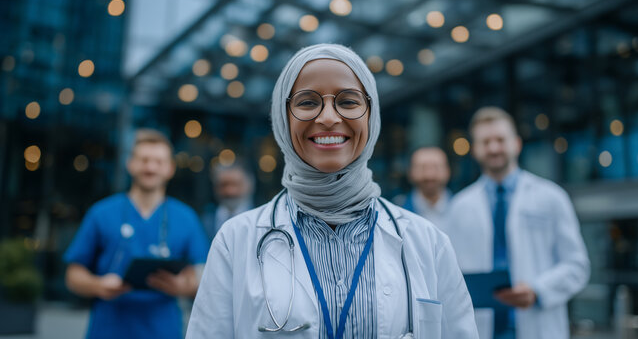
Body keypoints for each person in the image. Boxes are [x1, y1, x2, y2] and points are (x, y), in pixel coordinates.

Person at [186, 44, 478, 338]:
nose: (328, 117)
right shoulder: (235, 241)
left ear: (371, 115)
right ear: (282, 117)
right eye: (308, 102)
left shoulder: (428, 242)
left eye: (348, 102)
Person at [445, 107, 590, 339]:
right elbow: (449, 272)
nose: (493, 148)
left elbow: (577, 265)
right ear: (475, 149)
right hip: (481, 328)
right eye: (485, 141)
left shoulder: (552, 197)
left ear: (517, 144)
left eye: (500, 140)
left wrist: (538, 290)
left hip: (538, 323)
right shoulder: (460, 206)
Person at [64, 129, 209, 339]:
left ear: (170, 169)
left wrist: (183, 287)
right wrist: (98, 285)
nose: (150, 167)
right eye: (144, 160)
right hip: (108, 330)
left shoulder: (186, 218)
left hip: (163, 330)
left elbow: (205, 277)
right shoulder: (101, 213)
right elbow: (72, 276)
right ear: (130, 164)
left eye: (158, 162)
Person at [402, 147, 452, 231]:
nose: (429, 175)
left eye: (436, 167)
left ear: (448, 171)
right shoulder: (397, 212)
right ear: (410, 172)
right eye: (422, 168)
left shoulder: (463, 210)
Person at [201, 162, 254, 241]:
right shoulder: (205, 220)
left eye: (235, 184)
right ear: (215, 187)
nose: (230, 191)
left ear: (249, 186)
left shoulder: (264, 219)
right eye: (223, 185)